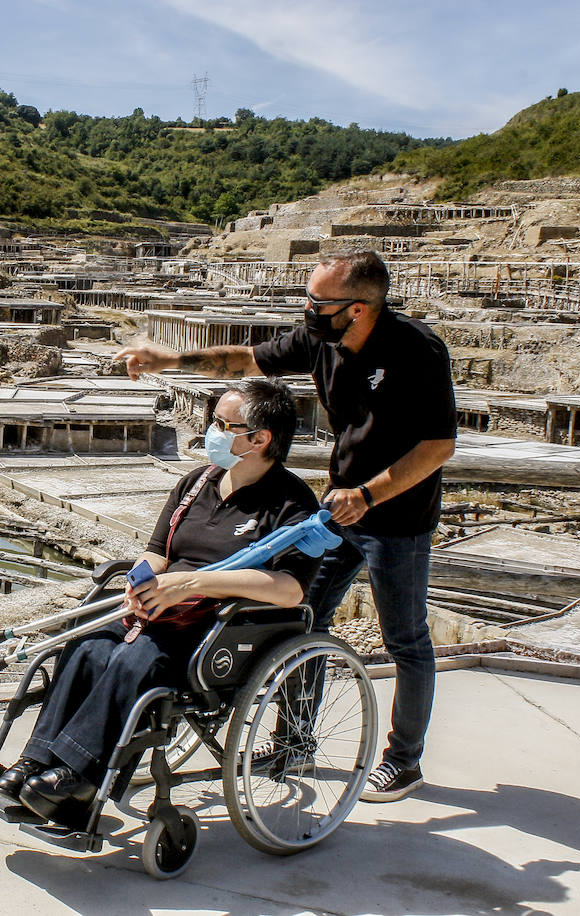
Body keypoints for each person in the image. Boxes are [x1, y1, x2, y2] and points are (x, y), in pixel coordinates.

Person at [114, 250, 456, 803]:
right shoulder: (320, 340)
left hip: (396, 517)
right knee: (298, 620)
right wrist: (169, 359)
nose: (309, 310)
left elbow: (438, 446)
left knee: (406, 639)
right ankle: (294, 740)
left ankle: (403, 760)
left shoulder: (416, 351)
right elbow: (246, 358)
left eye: (320, 302)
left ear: (360, 309)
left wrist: (371, 494)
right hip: (336, 511)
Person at [0, 379, 322, 825]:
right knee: (86, 646)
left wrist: (191, 585)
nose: (213, 431)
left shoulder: (290, 504)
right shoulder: (196, 483)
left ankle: (80, 775)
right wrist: (141, 580)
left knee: (135, 661)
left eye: (225, 425)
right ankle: (38, 760)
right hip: (160, 606)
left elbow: (290, 589)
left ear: (260, 439)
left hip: (216, 625)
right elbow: (156, 551)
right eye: (214, 422)